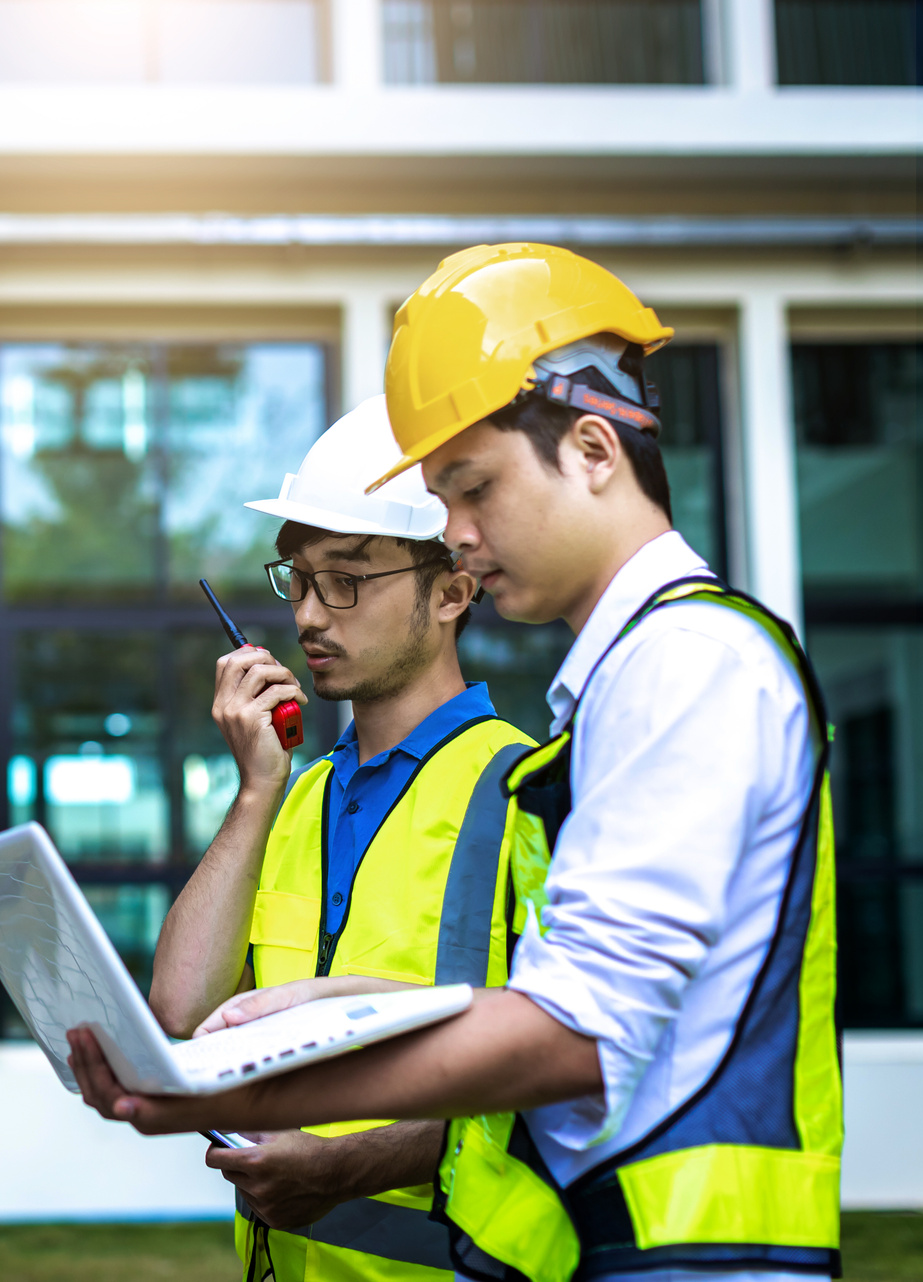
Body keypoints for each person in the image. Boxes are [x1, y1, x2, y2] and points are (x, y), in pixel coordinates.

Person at [67, 243, 842, 1282]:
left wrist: (239, 1091)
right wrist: (325, 1010)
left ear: (593, 448)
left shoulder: (684, 662)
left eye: (470, 487)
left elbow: (573, 1032)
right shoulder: (630, 679)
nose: (460, 535)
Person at [150, 396, 535, 1282]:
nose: (312, 617)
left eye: (348, 580)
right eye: (300, 581)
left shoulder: (525, 793)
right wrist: (255, 792)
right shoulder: (292, 797)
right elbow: (177, 1013)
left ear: (452, 591)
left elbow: (556, 1078)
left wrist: (347, 1167)